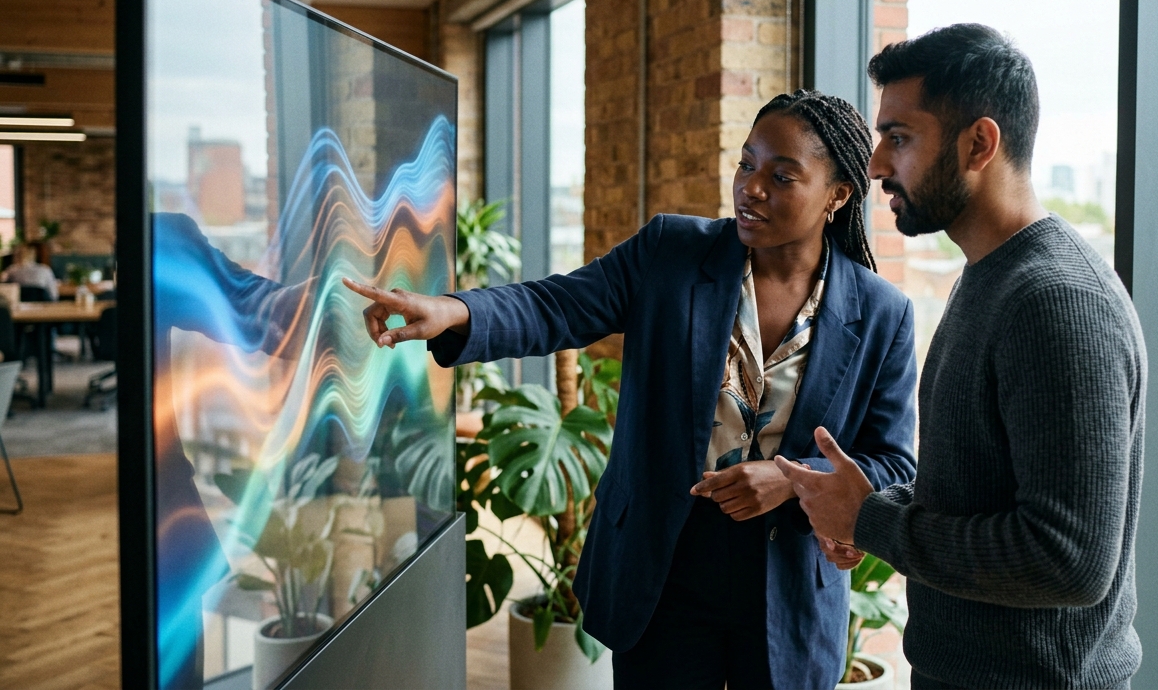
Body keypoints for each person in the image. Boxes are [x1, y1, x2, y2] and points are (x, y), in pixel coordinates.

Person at [343, 90, 918, 689]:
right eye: (747, 164)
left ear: (838, 194)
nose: (751, 187)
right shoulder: (672, 252)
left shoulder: (882, 314)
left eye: (782, 176)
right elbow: (556, 304)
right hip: (664, 564)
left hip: (789, 582)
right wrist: (454, 311)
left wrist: (789, 479)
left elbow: (893, 465)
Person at [776, 24, 1146, 690]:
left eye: (901, 137)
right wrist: (871, 511)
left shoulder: (1055, 303)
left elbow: (1070, 561)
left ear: (980, 143)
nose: (876, 165)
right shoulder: (991, 277)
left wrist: (873, 519)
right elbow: (986, 487)